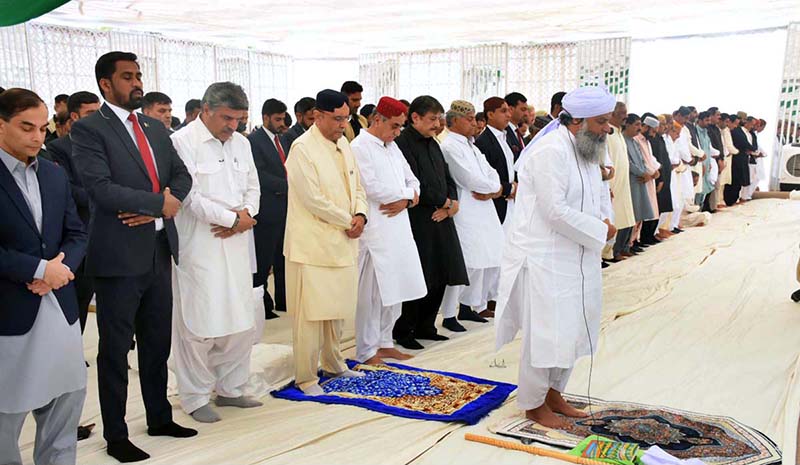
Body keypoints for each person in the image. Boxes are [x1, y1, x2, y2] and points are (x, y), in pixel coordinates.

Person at [71, 51, 196, 463]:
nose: (136, 82)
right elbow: (99, 188)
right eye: (127, 76)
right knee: (115, 350)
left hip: (159, 252)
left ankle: (159, 416)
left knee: (157, 344)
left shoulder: (154, 127)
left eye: (139, 75)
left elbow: (182, 175)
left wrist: (167, 202)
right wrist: (158, 204)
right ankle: (117, 433)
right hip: (118, 255)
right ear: (106, 84)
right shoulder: (90, 129)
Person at [495, 86, 616, 428]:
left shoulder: (586, 148)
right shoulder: (550, 152)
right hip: (546, 258)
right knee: (546, 332)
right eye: (602, 121)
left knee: (574, 328)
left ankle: (554, 392)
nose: (608, 128)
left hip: (579, 256)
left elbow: (596, 196)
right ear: (577, 121)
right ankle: (534, 403)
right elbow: (555, 212)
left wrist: (605, 222)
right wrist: (599, 229)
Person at [0, 88, 88, 465]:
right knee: (7, 413)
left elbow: (77, 232)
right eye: (26, 128)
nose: (37, 137)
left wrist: (60, 270)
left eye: (42, 127)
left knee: (66, 402)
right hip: (9, 311)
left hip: (59, 304)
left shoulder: (53, 173)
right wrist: (39, 270)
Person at [170, 82, 262, 423]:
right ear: (205, 110)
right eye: (227, 117)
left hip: (239, 242)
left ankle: (231, 389)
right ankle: (194, 397)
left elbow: (253, 185)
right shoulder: (181, 142)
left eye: (239, 118)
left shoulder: (242, 143)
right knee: (198, 322)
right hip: (201, 244)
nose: (233, 125)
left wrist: (246, 216)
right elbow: (189, 196)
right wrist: (230, 219)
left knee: (241, 319)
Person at [284, 89, 368, 395]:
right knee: (310, 314)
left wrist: (360, 214)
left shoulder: (344, 143)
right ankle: (306, 377)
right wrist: (349, 221)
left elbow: (358, 185)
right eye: (336, 119)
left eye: (346, 118)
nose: (342, 124)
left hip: (343, 241)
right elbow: (313, 199)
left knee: (336, 309)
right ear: (316, 116)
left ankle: (335, 364)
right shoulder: (301, 148)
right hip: (312, 246)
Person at [350, 96, 426, 364]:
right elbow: (371, 188)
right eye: (394, 126)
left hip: (399, 227)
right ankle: (367, 350)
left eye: (400, 127)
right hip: (376, 231)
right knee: (372, 293)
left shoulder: (393, 147)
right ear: (377, 119)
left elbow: (414, 181)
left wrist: (405, 198)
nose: (397, 132)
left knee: (395, 289)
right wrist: (406, 196)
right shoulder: (359, 147)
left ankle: (385, 342)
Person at [393, 95, 469, 349]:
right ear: (415, 118)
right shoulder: (403, 144)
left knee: (441, 273)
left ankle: (427, 326)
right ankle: (405, 329)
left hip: (441, 217)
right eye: (432, 119)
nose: (437, 124)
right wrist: (445, 203)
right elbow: (416, 185)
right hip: (420, 218)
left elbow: (447, 178)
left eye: (439, 119)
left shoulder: (433, 143)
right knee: (420, 275)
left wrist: (451, 203)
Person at [439, 100, 504, 332]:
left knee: (483, 260)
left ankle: (469, 306)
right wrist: (491, 188)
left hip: (483, 208)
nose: (474, 123)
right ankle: (448, 313)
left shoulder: (472, 146)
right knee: (464, 263)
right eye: (469, 119)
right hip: (466, 209)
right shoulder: (450, 146)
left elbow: (492, 173)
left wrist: (493, 188)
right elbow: (467, 179)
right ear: (454, 120)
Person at [46, 90, 101, 333]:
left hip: (107, 230)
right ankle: (72, 346)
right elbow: (67, 188)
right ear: (75, 116)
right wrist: (106, 197)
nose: (97, 118)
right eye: (91, 113)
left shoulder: (105, 145)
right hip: (77, 231)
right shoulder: (57, 148)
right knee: (76, 294)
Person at [249, 98, 290, 320]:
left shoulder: (280, 140)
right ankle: (262, 305)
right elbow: (259, 174)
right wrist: (288, 185)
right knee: (263, 260)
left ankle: (283, 300)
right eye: (277, 119)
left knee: (283, 258)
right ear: (265, 118)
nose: (282, 123)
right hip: (266, 210)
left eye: (283, 118)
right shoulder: (254, 141)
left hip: (284, 208)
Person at [623, 114, 655, 252]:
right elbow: (627, 162)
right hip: (632, 180)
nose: (639, 128)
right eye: (636, 124)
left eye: (639, 125)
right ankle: (624, 246)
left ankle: (632, 243)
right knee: (631, 214)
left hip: (641, 179)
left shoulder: (634, 141)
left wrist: (646, 173)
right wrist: (642, 173)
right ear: (627, 124)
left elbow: (641, 160)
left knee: (639, 213)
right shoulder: (623, 140)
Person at [607, 102, 635, 260]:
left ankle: (614, 251)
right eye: (622, 113)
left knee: (622, 217)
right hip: (611, 185)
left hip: (622, 183)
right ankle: (607, 253)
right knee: (612, 218)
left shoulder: (618, 133)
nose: (625, 116)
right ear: (612, 114)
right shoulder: (608, 134)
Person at [504, 92, 527, 159]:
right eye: (523, 109)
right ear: (511, 109)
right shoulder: (504, 133)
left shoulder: (518, 132)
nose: (526, 114)